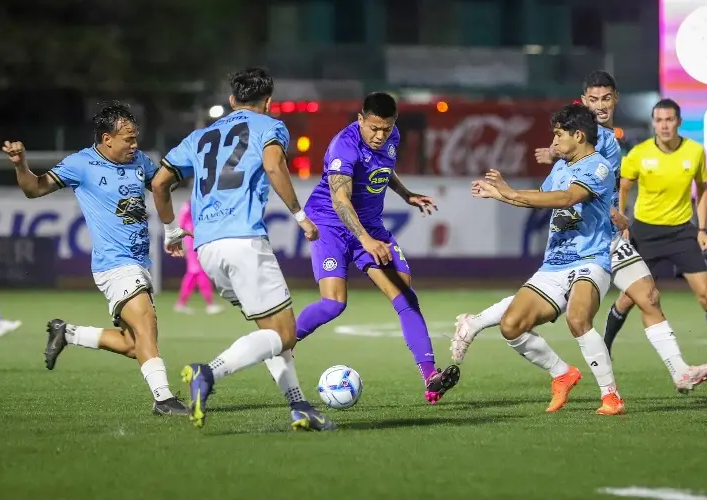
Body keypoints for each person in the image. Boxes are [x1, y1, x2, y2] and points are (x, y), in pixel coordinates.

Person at [453, 71, 707, 392]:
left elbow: (592, 182)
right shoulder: (598, 141)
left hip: (600, 234)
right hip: (592, 239)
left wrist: (556, 158)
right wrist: (606, 207)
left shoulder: (603, 140)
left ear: (615, 99)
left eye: (606, 98)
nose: (600, 105)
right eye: (593, 100)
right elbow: (584, 185)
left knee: (645, 296)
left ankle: (678, 372)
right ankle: (479, 324)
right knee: (566, 306)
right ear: (583, 102)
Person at [151, 67, 335, 430]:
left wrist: (171, 231)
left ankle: (299, 406)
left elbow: (159, 184)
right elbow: (273, 165)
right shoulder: (270, 126)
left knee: (272, 333)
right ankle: (209, 373)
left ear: (233, 100)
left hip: (206, 248)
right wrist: (299, 215)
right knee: (284, 333)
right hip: (244, 241)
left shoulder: (199, 137)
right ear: (268, 102)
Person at [2, 103, 188, 415]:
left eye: (135, 138)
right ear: (106, 139)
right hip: (115, 264)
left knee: (135, 344)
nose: (134, 145)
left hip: (140, 263)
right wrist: (21, 165)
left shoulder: (139, 160)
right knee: (145, 325)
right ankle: (163, 399)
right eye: (128, 139)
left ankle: (68, 332)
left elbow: (162, 184)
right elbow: (34, 189)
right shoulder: (81, 164)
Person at [294, 92, 460, 404]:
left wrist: (405, 193)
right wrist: (366, 241)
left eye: (386, 129)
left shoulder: (390, 136)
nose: (380, 135)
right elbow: (340, 200)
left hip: (369, 224)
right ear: (360, 120)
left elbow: (381, 170)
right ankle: (280, 341)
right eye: (373, 129)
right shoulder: (343, 146)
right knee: (333, 304)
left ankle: (431, 378)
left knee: (405, 295)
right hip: (330, 223)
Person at [471, 103, 624, 415]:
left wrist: (510, 192)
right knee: (512, 325)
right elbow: (540, 199)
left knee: (578, 318)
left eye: (559, 134)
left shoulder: (599, 167)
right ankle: (562, 373)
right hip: (555, 263)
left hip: (590, 259)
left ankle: (611, 396)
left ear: (578, 135)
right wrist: (499, 194)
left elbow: (566, 198)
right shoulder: (560, 168)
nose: (554, 141)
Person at [608, 98, 707, 375]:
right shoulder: (638, 153)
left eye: (669, 119)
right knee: (628, 298)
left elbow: (702, 189)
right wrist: (622, 221)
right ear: (653, 123)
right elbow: (623, 187)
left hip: (682, 232)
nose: (664, 125)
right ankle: (603, 350)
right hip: (645, 233)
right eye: (659, 120)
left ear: (678, 122)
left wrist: (702, 229)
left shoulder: (694, 152)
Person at [173, 198, 224, 315]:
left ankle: (181, 303)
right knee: (200, 272)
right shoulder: (189, 205)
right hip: (192, 241)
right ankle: (209, 304)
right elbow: (181, 223)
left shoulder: (198, 204)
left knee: (193, 273)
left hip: (196, 240)